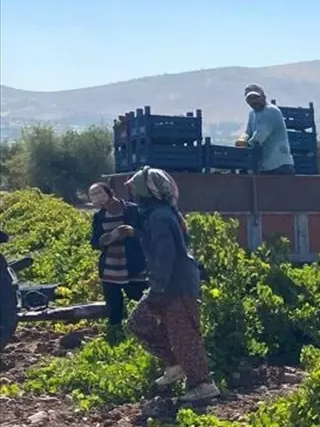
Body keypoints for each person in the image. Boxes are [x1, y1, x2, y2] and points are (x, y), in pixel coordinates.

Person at [124, 167, 219, 403]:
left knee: (185, 336)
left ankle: (203, 384)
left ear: (146, 191)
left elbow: (165, 255)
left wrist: (157, 291)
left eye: (135, 188)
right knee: (139, 322)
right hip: (170, 284)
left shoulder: (159, 216)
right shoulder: (159, 213)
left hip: (175, 286)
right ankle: (175, 363)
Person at [87, 181, 147, 332]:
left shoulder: (132, 211)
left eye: (100, 193)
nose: (99, 199)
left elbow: (148, 236)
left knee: (139, 302)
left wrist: (133, 233)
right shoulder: (99, 216)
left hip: (133, 265)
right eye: (93, 196)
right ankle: (115, 334)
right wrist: (104, 240)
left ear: (110, 192)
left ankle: (142, 333)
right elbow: (95, 242)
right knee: (114, 307)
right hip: (110, 268)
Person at [235, 83, 294, 174]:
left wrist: (242, 148)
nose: (254, 101)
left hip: (278, 166)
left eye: (256, 97)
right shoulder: (252, 114)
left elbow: (259, 137)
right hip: (265, 167)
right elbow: (248, 132)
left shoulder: (271, 111)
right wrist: (243, 138)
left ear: (264, 97)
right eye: (250, 99)